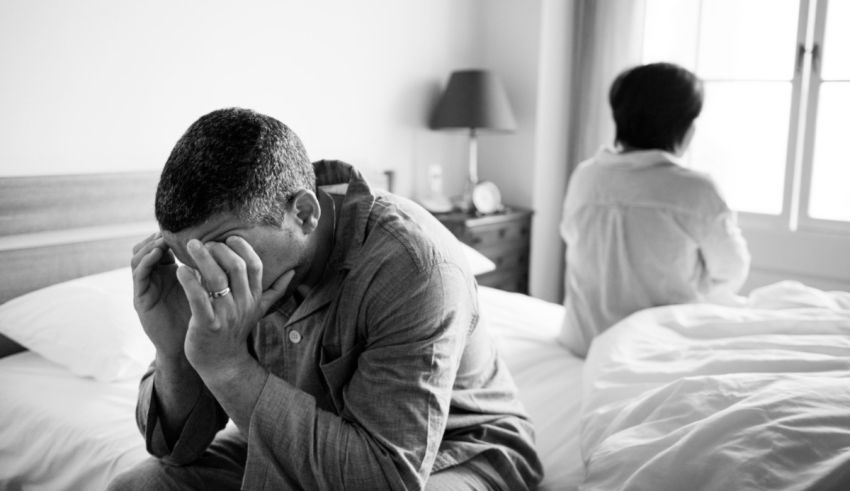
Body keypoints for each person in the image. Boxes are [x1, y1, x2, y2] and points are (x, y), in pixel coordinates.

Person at [108, 108, 542, 490]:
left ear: (304, 213)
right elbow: (175, 452)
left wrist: (228, 366)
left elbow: (385, 477)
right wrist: (175, 351)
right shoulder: (221, 271)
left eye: (226, 251)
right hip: (300, 434)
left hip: (454, 448)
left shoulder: (415, 266)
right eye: (191, 261)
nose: (210, 277)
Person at [559, 62, 750, 358]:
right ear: (684, 126)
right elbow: (731, 270)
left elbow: (576, 245)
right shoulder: (695, 190)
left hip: (581, 342)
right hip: (654, 349)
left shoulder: (585, 176)